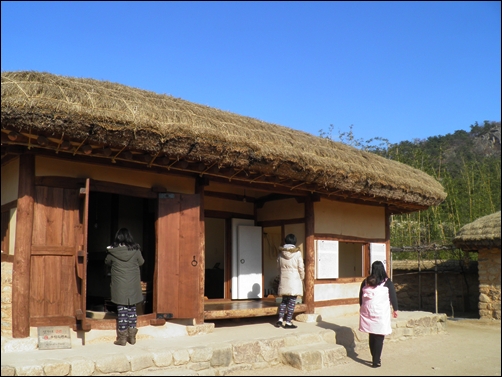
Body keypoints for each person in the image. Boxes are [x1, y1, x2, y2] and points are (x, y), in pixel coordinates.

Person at [105, 228, 145, 346]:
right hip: (133, 283)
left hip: (119, 284)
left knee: (122, 309)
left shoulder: (112, 252)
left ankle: (122, 338)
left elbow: (107, 262)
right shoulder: (136, 250)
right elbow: (141, 262)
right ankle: (132, 337)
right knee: (132, 308)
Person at [359, 260, 398, 368]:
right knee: (379, 335)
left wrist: (363, 307)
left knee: (371, 334)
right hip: (380, 313)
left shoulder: (366, 281)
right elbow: (393, 296)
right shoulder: (387, 282)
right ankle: (376, 360)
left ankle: (374, 357)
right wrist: (395, 309)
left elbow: (360, 297)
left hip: (368, 312)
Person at [275, 233, 305, 329]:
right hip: (294, 280)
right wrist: (302, 277)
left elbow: (278, 267)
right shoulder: (297, 254)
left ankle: (280, 319)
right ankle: (288, 322)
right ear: (294, 242)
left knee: (284, 300)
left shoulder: (280, 254)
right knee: (292, 302)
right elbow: (301, 267)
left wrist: (282, 275)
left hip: (284, 279)